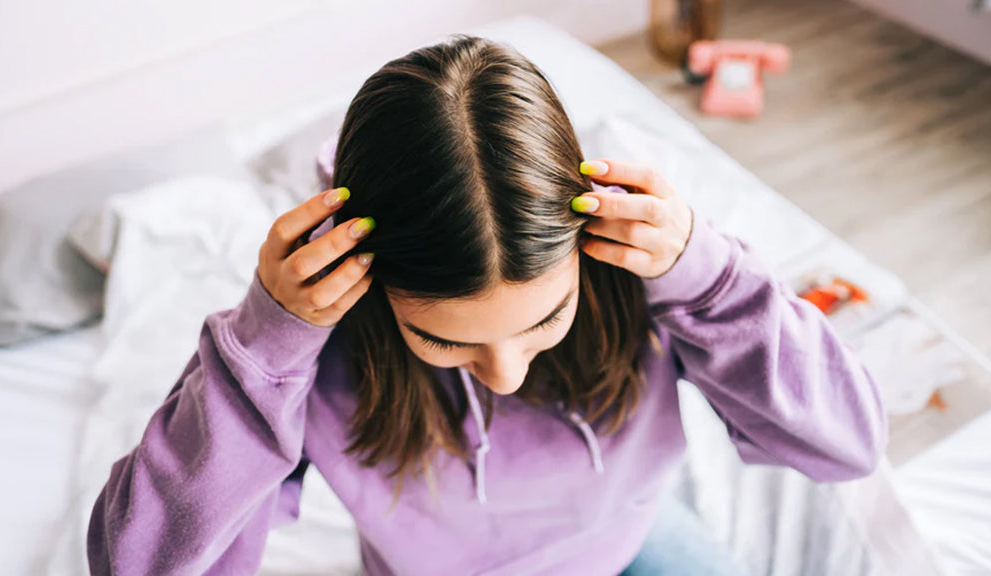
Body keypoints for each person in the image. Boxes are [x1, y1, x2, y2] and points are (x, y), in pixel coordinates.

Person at [86, 34, 887, 575]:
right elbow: (137, 565)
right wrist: (262, 353)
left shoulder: (641, 277)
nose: (505, 376)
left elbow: (847, 448)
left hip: (629, 550)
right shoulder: (315, 352)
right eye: (444, 340)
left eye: (545, 319)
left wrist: (715, 286)